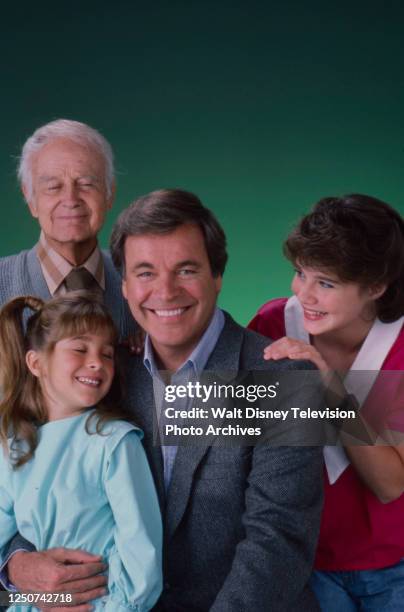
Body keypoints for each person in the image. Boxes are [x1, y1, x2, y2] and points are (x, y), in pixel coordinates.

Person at [5, 189, 324, 611]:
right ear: (125, 284)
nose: (166, 291)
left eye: (186, 269)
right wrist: (15, 565)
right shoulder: (105, 373)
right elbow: (49, 482)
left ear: (218, 276)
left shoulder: (285, 382)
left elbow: (278, 542)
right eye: (145, 272)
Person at [249, 194, 404, 611]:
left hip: (391, 567)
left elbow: (390, 484)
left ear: (375, 286)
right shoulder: (271, 323)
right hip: (302, 560)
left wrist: (328, 388)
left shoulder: (401, 350)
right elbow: (239, 430)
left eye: (326, 283)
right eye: (301, 273)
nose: (304, 294)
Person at [0, 292, 162, 612]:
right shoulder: (15, 446)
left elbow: (141, 551)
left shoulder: (114, 441)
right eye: (79, 348)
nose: (96, 363)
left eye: (107, 354)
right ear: (35, 362)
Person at [0, 119, 134, 337]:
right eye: (53, 187)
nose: (70, 199)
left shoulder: (141, 282)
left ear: (110, 193)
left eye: (86, 184)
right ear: (30, 199)